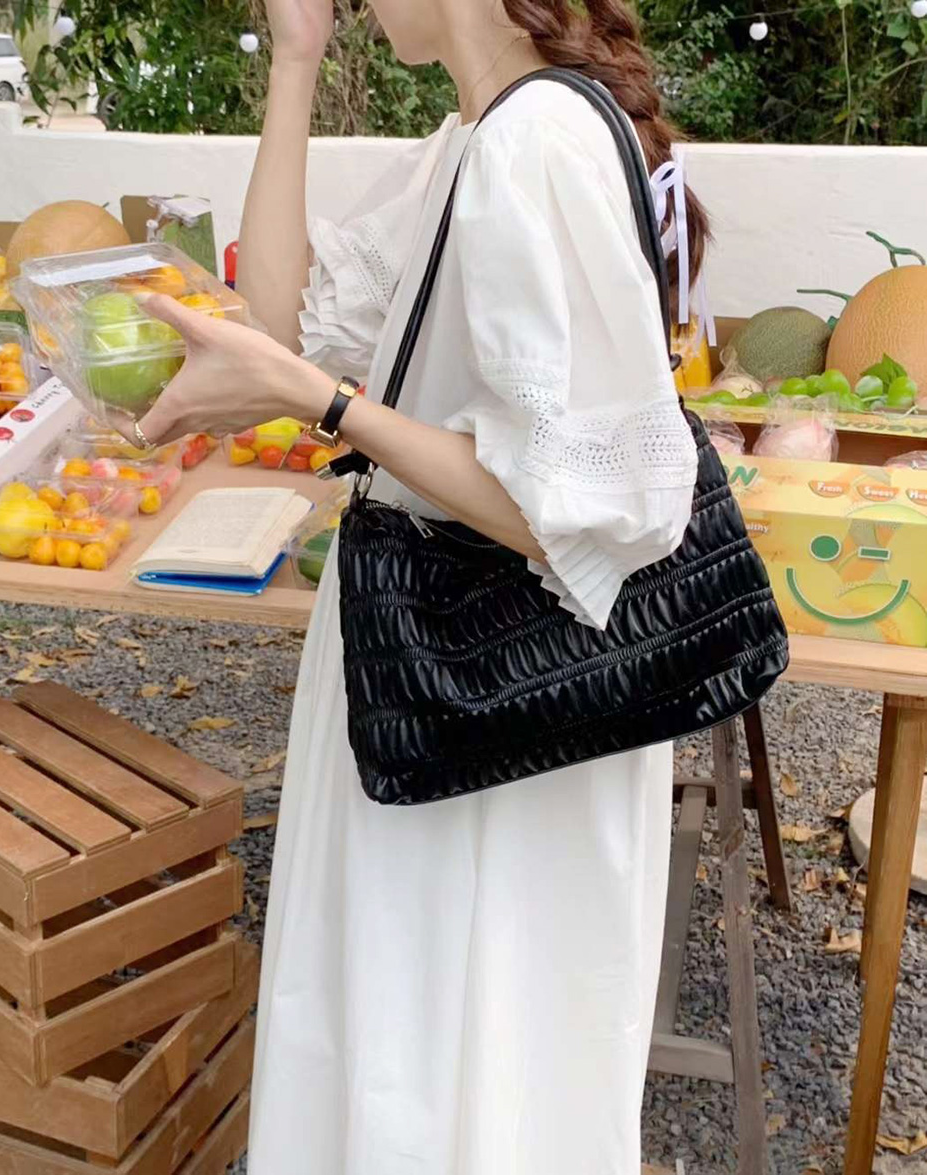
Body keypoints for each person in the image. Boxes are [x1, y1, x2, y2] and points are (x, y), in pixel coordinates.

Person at [137, 1, 710, 1171]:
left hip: (490, 696)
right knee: (430, 1067)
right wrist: (295, 61)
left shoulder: (533, 145)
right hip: (452, 684)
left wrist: (325, 407)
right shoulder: (479, 136)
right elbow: (285, 321)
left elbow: (577, 512)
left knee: (448, 1074)